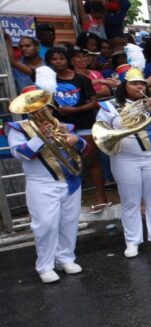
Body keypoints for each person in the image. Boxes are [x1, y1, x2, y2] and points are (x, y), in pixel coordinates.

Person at [5, 75, 89, 283]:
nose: (40, 111)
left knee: (69, 222)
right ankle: (45, 265)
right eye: (34, 107)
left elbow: (84, 151)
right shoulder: (17, 129)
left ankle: (66, 258)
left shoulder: (63, 125)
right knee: (46, 225)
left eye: (43, 106)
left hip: (70, 180)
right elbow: (21, 154)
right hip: (41, 184)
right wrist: (40, 137)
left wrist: (76, 140)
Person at [96, 68, 151, 257]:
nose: (140, 86)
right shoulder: (109, 106)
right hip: (124, 158)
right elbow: (102, 132)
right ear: (124, 85)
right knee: (130, 201)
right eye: (134, 83)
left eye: (142, 83)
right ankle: (132, 241)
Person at [48, 46, 110, 212]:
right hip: (58, 129)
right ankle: (71, 200)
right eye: (54, 59)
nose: (58, 61)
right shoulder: (46, 80)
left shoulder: (82, 79)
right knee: (65, 163)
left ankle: (101, 196)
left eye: (61, 58)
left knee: (91, 160)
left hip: (84, 125)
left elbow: (93, 102)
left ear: (67, 60)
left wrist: (74, 110)